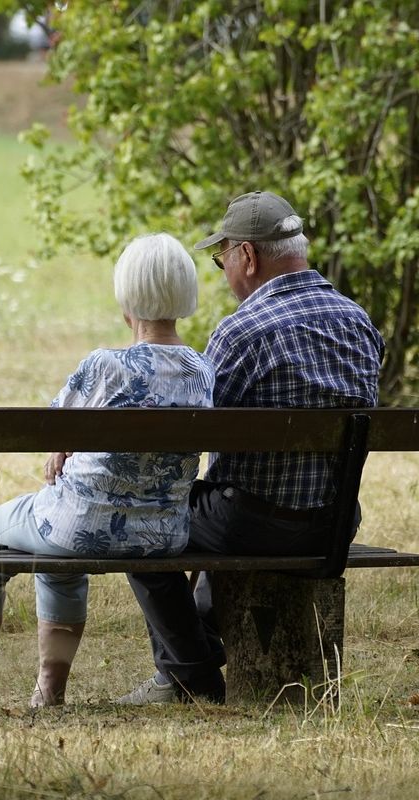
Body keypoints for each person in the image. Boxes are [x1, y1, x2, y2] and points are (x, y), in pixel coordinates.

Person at [118, 191, 385, 705]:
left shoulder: (241, 332)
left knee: (139, 517)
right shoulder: (358, 323)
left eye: (222, 260)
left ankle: (190, 673)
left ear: (247, 256)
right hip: (334, 523)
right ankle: (198, 646)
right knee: (223, 502)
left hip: (253, 525)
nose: (224, 272)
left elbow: (193, 434)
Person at [0, 232, 216, 711]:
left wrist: (63, 445)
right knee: (57, 552)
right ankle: (48, 693)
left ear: (126, 296)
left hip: (79, 527)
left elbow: (51, 430)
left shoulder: (105, 366)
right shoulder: (203, 371)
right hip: (162, 536)